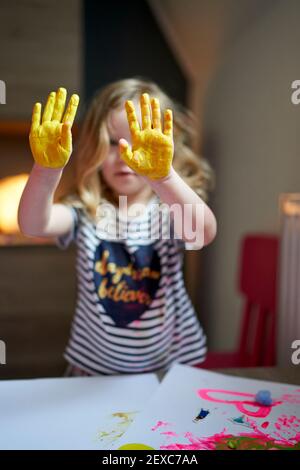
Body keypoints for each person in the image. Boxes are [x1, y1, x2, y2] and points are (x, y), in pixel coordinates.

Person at [18, 78, 217, 376]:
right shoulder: (85, 211)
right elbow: (34, 224)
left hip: (167, 366)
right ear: (94, 146)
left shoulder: (169, 208)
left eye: (139, 141)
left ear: (167, 144)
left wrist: (163, 179)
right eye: (112, 143)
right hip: (93, 368)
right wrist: (45, 171)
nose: (125, 154)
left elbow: (203, 232)